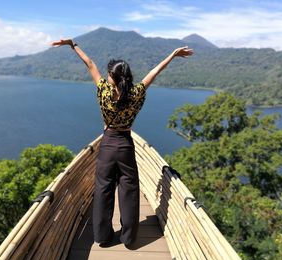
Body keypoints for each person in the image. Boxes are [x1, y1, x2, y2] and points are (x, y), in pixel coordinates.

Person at [51, 38, 193, 248]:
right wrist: (172, 55)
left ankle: (104, 237)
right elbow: (154, 72)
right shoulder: (136, 94)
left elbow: (89, 64)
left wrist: (73, 44)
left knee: (103, 189)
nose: (106, 76)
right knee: (129, 190)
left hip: (108, 144)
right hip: (125, 144)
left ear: (112, 77)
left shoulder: (104, 91)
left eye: (109, 74)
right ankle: (129, 238)